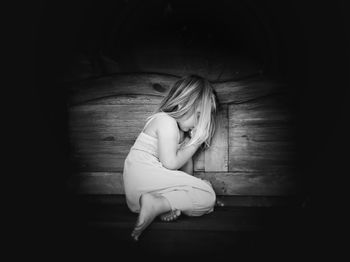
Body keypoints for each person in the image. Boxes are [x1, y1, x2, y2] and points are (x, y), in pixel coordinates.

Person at [123, 75, 221, 241]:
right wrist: (196, 143)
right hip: (144, 178)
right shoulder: (165, 121)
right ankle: (158, 204)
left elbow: (184, 174)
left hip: (137, 197)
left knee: (202, 191)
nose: (198, 125)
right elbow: (170, 164)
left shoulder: (177, 132)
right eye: (198, 116)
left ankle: (159, 205)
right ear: (182, 103)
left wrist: (188, 144)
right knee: (208, 196)